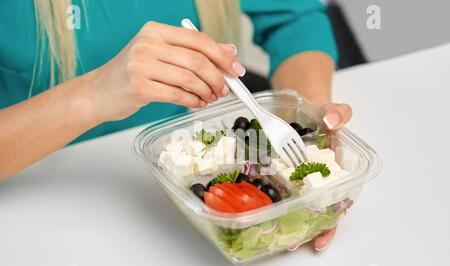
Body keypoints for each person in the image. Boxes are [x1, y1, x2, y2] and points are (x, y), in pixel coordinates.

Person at [0, 0, 352, 251]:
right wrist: (92, 95)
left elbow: (294, 18)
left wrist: (309, 123)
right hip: (33, 219)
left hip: (167, 207)